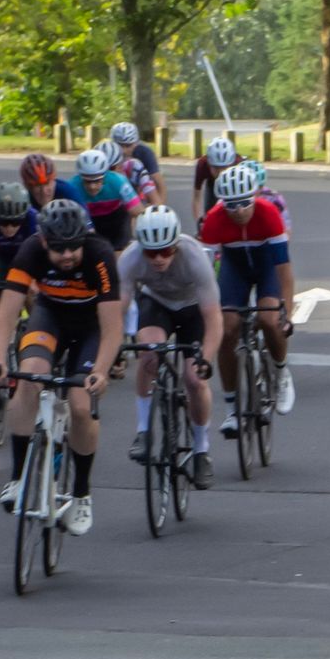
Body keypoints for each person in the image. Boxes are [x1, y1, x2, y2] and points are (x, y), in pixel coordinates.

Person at [0, 199, 123, 537]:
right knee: (29, 376)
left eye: (73, 247)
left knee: (80, 405)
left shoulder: (99, 254)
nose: (67, 255)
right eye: (59, 248)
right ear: (45, 241)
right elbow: (6, 312)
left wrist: (102, 371)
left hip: (90, 328)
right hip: (51, 317)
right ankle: (18, 478)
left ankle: (81, 493)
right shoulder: (30, 251)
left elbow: (112, 326)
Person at [118, 205, 223, 489]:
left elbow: (213, 318)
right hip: (157, 304)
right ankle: (143, 431)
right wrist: (114, 346)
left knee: (194, 380)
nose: (159, 259)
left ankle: (201, 450)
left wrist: (207, 359)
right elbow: (118, 308)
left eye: (166, 251)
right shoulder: (130, 259)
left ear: (176, 244)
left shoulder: (194, 258)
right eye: (151, 253)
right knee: (149, 354)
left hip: (193, 310)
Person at [199, 161, 295, 432]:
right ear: (222, 203)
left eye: (244, 202)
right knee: (227, 330)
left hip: (266, 267)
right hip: (235, 268)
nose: (238, 211)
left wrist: (286, 311)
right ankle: (231, 410)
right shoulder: (214, 220)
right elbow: (206, 276)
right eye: (231, 205)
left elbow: (285, 273)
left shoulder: (269, 214)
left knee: (268, 319)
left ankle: (281, 371)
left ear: (254, 196)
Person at [60, 147, 142, 253]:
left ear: (105, 175)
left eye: (97, 180)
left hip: (115, 220)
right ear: (80, 177)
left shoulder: (118, 182)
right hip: (88, 219)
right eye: (87, 181)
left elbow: (138, 212)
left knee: (117, 255)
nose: (92, 186)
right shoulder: (72, 187)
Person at [0, 182, 39, 308]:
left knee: (31, 292)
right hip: (2, 260)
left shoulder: (34, 220)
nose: (9, 228)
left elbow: (42, 253)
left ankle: (34, 324)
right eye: (3, 222)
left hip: (29, 260)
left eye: (16, 222)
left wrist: (34, 280)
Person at [110, 121, 166, 204]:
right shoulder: (107, 152)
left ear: (136, 143)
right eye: (120, 145)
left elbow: (158, 181)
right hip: (114, 192)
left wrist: (161, 207)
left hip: (138, 189)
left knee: (136, 167)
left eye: (128, 146)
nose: (124, 151)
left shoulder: (144, 152)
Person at [192, 135, 237, 229]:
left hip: (233, 182)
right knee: (210, 216)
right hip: (212, 183)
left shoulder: (238, 164)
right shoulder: (202, 164)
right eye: (216, 168)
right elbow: (197, 197)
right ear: (209, 164)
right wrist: (199, 222)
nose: (220, 173)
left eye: (224, 168)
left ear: (231, 164)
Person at [99, 136, 157, 206]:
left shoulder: (134, 167)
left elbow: (156, 202)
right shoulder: (88, 179)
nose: (107, 174)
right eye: (101, 170)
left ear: (120, 165)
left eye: (111, 168)